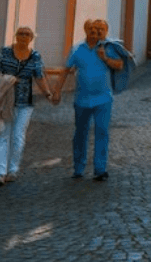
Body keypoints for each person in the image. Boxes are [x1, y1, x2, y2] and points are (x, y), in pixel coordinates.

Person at [52, 19, 123, 181]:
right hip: (82, 99)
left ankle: (100, 169)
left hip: (103, 99)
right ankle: (78, 168)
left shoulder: (109, 48)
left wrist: (105, 58)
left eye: (99, 29)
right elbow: (65, 71)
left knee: (102, 132)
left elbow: (119, 65)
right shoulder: (77, 49)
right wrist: (57, 91)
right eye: (91, 29)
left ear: (105, 31)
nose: (95, 32)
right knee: (80, 134)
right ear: (85, 30)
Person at [0, 26, 55, 186]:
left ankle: (12, 170)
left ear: (31, 38)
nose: (23, 36)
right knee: (4, 134)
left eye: (27, 34)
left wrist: (48, 94)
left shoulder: (35, 56)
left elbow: (39, 77)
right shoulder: (5, 52)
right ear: (16, 36)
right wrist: (4, 82)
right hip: (6, 100)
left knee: (18, 136)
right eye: (20, 33)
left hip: (25, 101)